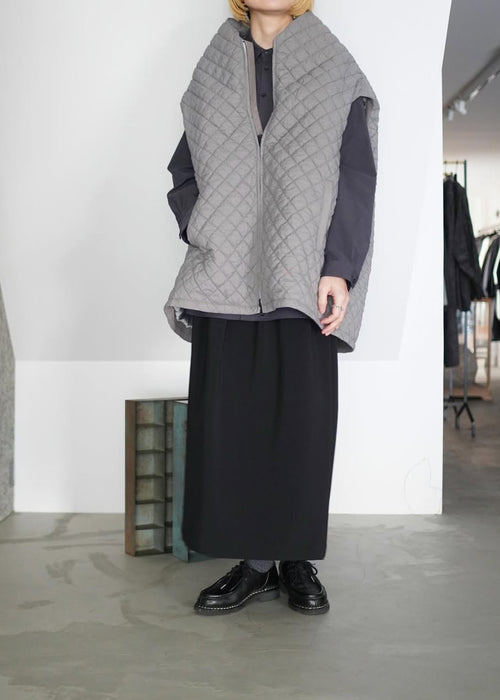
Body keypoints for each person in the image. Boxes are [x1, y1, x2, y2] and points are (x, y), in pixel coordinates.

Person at [164, 0, 379, 615]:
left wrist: (339, 266)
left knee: (299, 429)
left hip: (301, 278)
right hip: (225, 278)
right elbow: (184, 167)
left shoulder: (335, 67)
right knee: (233, 429)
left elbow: (356, 175)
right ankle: (255, 564)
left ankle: (295, 561)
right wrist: (202, 225)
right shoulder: (214, 66)